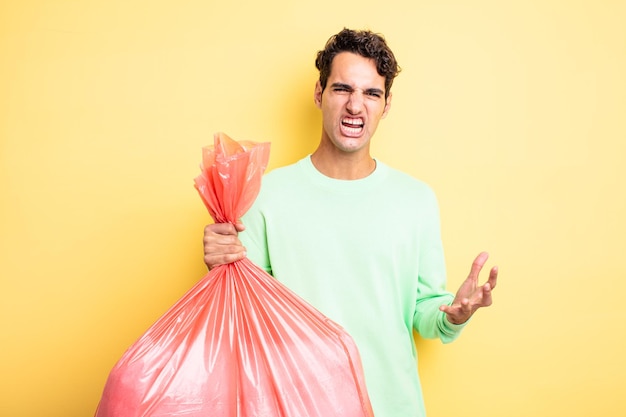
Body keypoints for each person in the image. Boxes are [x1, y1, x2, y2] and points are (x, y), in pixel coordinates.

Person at [203, 28, 498, 417]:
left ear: (386, 104)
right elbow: (242, 316)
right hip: (296, 407)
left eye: (371, 93)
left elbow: (424, 311)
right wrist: (219, 266)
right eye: (342, 89)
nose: (355, 106)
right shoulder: (264, 196)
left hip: (392, 407)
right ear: (318, 93)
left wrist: (452, 313)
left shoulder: (416, 200)